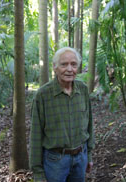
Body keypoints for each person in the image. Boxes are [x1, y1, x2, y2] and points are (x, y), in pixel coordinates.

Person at [29, 47, 95, 182]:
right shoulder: (43, 95)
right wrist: (38, 172)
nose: (69, 69)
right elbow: (35, 135)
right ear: (55, 67)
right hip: (55, 161)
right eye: (64, 64)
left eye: (74, 64)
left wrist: (89, 156)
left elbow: (89, 125)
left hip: (80, 157)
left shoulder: (82, 90)